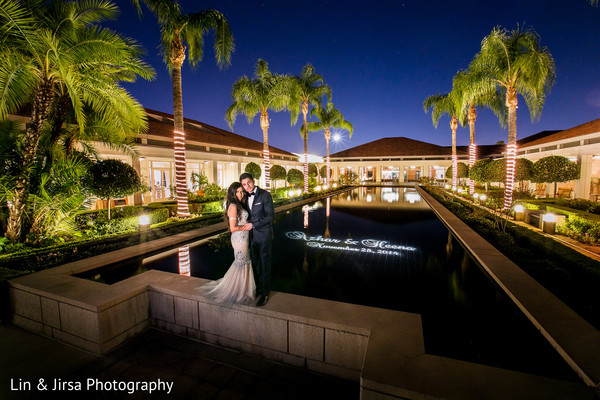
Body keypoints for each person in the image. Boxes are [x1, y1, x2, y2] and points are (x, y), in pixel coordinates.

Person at [200, 182, 255, 304]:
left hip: (244, 238)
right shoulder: (233, 207)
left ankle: (243, 290)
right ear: (232, 193)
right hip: (239, 238)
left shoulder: (239, 205)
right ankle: (238, 291)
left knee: (244, 261)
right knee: (241, 262)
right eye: (238, 192)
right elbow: (233, 228)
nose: (241, 194)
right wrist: (247, 227)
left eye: (242, 191)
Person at [240, 172, 274, 306]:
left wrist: (253, 225)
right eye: (244, 184)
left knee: (265, 264)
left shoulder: (265, 195)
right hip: (251, 238)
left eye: (248, 182)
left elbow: (270, 216)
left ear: (253, 181)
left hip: (264, 236)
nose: (247, 186)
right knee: (255, 263)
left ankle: (265, 293)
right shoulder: (244, 197)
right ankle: (259, 288)